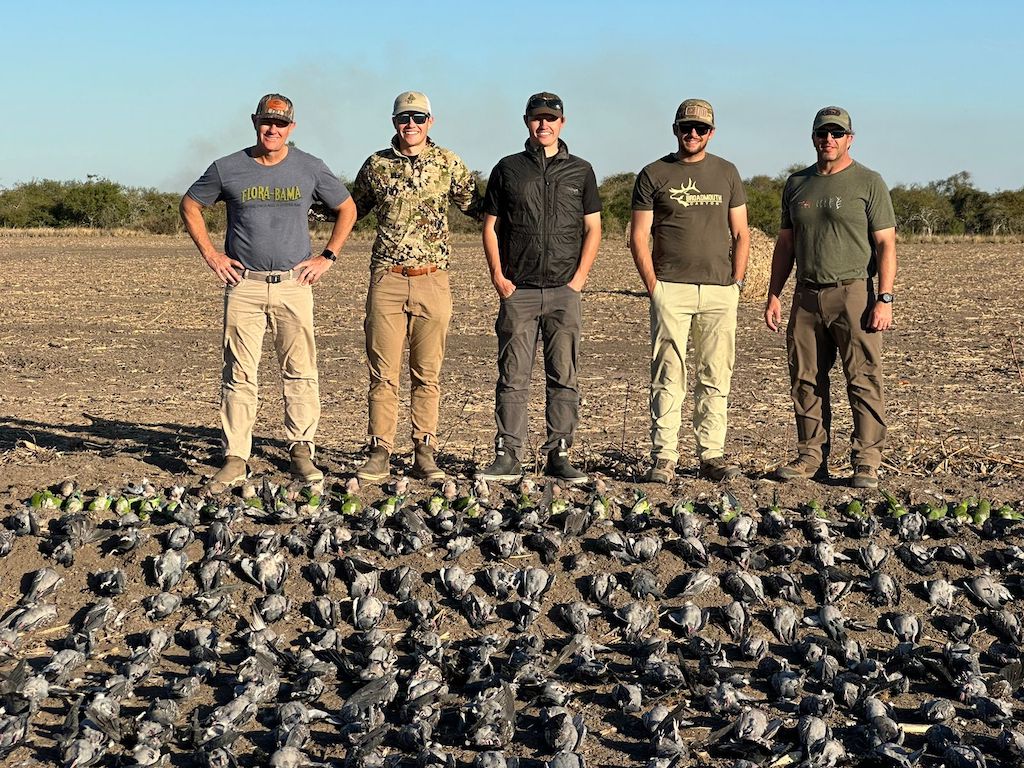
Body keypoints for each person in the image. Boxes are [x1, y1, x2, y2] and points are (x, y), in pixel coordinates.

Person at [181, 93, 356, 492]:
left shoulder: (310, 168)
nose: (272, 129)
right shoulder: (227, 168)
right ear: (254, 123)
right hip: (244, 285)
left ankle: (301, 450)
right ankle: (236, 457)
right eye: (266, 122)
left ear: (291, 127)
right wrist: (212, 255)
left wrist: (328, 256)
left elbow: (347, 208)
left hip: (295, 285)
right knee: (239, 373)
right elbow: (190, 205)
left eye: (280, 124)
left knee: (300, 370)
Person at [350, 91, 482, 483]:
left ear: (431, 121)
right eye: (404, 118)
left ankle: (425, 449)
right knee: (383, 372)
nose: (411, 125)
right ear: (394, 122)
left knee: (427, 373)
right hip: (387, 278)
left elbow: (478, 208)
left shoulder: (449, 164)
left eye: (419, 118)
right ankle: (380, 449)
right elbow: (351, 210)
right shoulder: (376, 166)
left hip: (432, 279)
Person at [764, 106, 897, 489]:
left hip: (853, 293)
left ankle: (866, 461)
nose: (829, 140)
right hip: (806, 295)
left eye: (837, 134)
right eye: (823, 133)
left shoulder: (868, 182)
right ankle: (810, 457)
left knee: (863, 378)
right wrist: (774, 294)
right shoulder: (797, 184)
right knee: (805, 379)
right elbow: (786, 243)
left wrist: (884, 298)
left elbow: (886, 244)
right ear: (813, 137)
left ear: (849, 138)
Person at [476, 92, 602, 484]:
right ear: (526, 122)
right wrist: (499, 277)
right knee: (513, 375)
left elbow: (594, 228)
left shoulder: (580, 171)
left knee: (563, 374)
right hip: (520, 291)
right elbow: (490, 227)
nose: (543, 125)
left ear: (562, 122)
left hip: (564, 291)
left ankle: (559, 453)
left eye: (551, 118)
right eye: (537, 118)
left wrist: (579, 279)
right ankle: (508, 453)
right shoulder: (508, 169)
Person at [630, 99, 750, 485]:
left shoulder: (727, 173)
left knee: (715, 374)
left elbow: (742, 232)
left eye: (700, 129)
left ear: (711, 133)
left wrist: (737, 282)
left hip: (719, 291)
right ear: (675, 129)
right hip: (671, 290)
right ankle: (664, 456)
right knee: (668, 373)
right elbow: (638, 236)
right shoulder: (654, 173)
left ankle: (711, 454)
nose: (692, 134)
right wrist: (654, 287)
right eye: (686, 127)